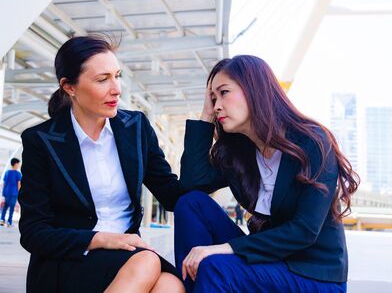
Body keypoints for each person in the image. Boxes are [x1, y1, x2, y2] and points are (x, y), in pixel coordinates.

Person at [174, 55, 359, 292]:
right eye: (213, 98)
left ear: (254, 89)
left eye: (224, 92)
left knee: (215, 265)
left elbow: (304, 231)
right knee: (191, 204)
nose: (217, 104)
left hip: (313, 275)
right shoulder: (239, 154)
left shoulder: (311, 142)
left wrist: (225, 248)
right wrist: (206, 116)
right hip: (268, 264)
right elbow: (192, 183)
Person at [18, 35, 185, 293]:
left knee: (171, 285)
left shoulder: (136, 128)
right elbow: (33, 232)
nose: (116, 88)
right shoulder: (41, 141)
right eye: (102, 79)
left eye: (117, 75)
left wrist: (206, 126)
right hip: (71, 260)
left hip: (130, 257)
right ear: (69, 87)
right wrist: (102, 239)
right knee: (148, 262)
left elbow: (173, 195)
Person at [0, 158, 22, 227]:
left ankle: (2, 221)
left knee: (5, 207)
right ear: (15, 164)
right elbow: (19, 184)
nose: (19, 165)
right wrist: (20, 192)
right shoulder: (18, 174)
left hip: (7, 193)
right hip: (14, 193)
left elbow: (4, 183)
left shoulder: (7, 172)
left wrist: (3, 193)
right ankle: (9, 222)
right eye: (18, 164)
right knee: (12, 208)